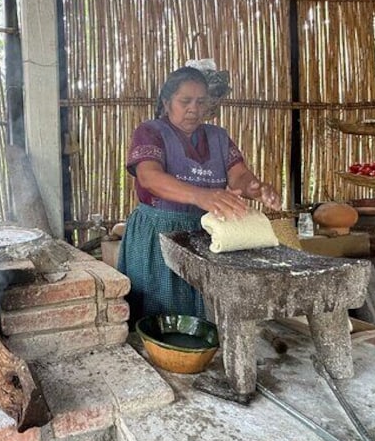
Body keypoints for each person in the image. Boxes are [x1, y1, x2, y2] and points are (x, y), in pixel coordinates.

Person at [117, 66, 281, 324]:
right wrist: (201, 196)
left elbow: (238, 175)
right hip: (158, 235)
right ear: (166, 102)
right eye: (185, 101)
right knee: (160, 316)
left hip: (204, 235)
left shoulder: (218, 137)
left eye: (201, 102)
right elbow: (149, 176)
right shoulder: (150, 132)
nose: (193, 108)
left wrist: (255, 188)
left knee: (198, 313)